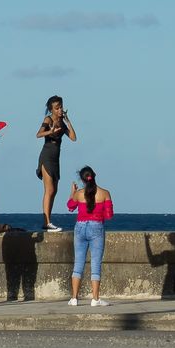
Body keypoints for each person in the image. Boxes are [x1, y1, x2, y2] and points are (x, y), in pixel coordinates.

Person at [66, 166, 114, 307]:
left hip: (80, 227)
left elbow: (70, 207)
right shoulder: (105, 193)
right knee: (95, 264)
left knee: (78, 264)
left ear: (82, 179)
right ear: (94, 175)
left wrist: (72, 192)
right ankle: (95, 299)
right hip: (96, 227)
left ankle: (74, 298)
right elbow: (109, 215)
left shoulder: (79, 194)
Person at [36, 95, 77, 232]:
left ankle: (48, 221)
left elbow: (73, 138)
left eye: (61, 107)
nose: (60, 110)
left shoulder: (61, 121)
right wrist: (50, 131)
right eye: (57, 108)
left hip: (56, 158)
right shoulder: (48, 120)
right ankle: (47, 222)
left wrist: (68, 121)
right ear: (51, 109)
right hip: (46, 156)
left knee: (55, 190)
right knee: (50, 190)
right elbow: (39, 134)